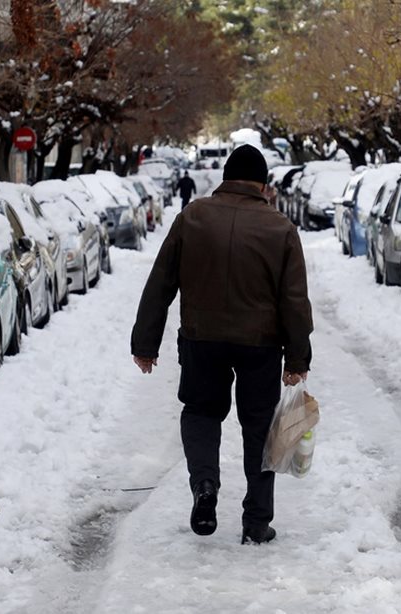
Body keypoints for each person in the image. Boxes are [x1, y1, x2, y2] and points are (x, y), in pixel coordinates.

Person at [131, 145, 313, 546]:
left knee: (201, 412)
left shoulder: (192, 217)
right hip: (261, 345)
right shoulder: (281, 228)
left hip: (202, 339)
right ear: (263, 185)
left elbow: (160, 283)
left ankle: (205, 485)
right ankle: (256, 521)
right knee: (260, 426)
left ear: (225, 178)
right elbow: (294, 302)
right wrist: (297, 358)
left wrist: (146, 342)